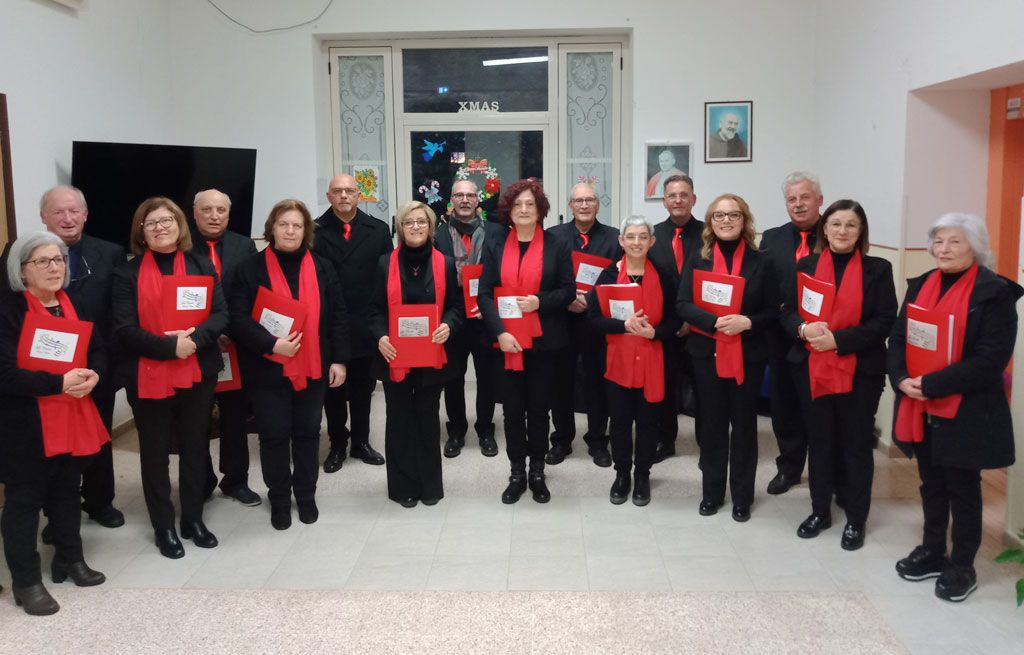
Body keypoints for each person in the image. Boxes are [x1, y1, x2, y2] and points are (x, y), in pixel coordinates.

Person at [888, 213, 1020, 602]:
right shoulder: (921, 285)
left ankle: (962, 564)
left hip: (966, 407)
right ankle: (932, 550)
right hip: (919, 403)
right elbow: (898, 339)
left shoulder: (994, 294)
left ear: (975, 247)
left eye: (954, 242)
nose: (943, 250)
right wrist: (901, 380)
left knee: (962, 487)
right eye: (938, 242)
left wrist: (932, 384)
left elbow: (990, 359)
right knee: (931, 483)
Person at [0, 186, 128, 531]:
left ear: (85, 214)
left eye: (74, 211)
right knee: (44, 458)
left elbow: (117, 313)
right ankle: (52, 517)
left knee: (96, 444)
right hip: (35, 377)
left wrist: (101, 370)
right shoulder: (16, 252)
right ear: (44, 216)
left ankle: (100, 502)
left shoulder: (111, 252)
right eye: (58, 212)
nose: (67, 218)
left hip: (91, 368)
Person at [112, 197, 228, 558]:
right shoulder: (125, 274)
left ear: (180, 226)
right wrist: (168, 347)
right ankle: (163, 525)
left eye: (167, 221)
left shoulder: (200, 264)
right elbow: (123, 329)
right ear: (141, 233)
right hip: (149, 373)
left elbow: (221, 314)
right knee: (155, 452)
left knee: (195, 447)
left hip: (197, 368)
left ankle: (192, 518)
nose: (160, 227)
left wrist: (192, 341)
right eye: (151, 223)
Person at [0, 231, 108, 615]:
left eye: (59, 260)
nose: (54, 267)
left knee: (66, 492)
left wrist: (94, 373)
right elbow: (5, 374)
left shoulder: (71, 303)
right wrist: (58, 382)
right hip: (24, 425)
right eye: (42, 261)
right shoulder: (8, 311)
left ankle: (70, 559)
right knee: (24, 504)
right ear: (22, 270)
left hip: (72, 416)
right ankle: (26, 582)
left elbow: (96, 347)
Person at [780, 200, 896, 550]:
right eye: (835, 224)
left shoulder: (878, 269)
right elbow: (787, 310)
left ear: (861, 232)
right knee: (820, 441)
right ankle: (820, 511)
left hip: (860, 371)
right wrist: (802, 329)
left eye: (850, 225)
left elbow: (884, 321)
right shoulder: (807, 265)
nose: (842, 231)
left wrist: (839, 340)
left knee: (856, 444)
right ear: (824, 229)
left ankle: (856, 520)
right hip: (811, 368)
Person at [229, 200, 349, 529]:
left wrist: (339, 359)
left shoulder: (323, 266)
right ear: (272, 228)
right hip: (267, 368)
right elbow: (237, 318)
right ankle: (280, 498)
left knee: (309, 434)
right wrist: (272, 344)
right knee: (274, 435)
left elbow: (338, 315)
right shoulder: (249, 269)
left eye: (297, 225)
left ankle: (306, 495)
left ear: (306, 230)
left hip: (314, 366)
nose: (290, 231)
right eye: (284, 224)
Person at [677, 194, 777, 522]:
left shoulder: (762, 261)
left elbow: (773, 311)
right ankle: (712, 493)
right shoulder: (698, 258)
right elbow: (683, 304)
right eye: (719, 215)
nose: (726, 221)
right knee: (713, 426)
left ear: (744, 220)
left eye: (733, 215)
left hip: (747, 355)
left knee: (745, 427)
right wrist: (713, 322)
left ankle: (742, 497)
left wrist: (747, 322)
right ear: (710, 222)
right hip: (707, 353)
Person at [477, 179, 575, 504]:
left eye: (530, 204)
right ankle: (517, 471)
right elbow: (485, 293)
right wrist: (501, 333)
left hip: (544, 343)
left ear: (539, 209)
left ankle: (537, 470)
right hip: (505, 344)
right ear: (509, 210)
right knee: (512, 411)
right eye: (518, 204)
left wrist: (540, 302)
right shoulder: (494, 244)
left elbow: (568, 291)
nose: (523, 210)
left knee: (538, 409)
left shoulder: (557, 245)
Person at [368, 201, 463, 507]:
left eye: (422, 222)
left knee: (426, 418)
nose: (416, 227)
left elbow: (456, 307)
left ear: (431, 227)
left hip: (430, 357)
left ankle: (430, 486)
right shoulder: (383, 263)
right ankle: (403, 488)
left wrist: (448, 325)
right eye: (409, 222)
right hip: (393, 355)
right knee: (398, 419)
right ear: (400, 228)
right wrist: (381, 336)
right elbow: (373, 310)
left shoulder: (445, 263)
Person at [588, 216, 679, 505]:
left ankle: (642, 475)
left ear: (652, 242)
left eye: (643, 237)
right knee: (621, 421)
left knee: (648, 421)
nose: (636, 242)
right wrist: (622, 326)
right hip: (618, 361)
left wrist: (655, 332)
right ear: (621, 241)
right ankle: (622, 473)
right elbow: (594, 320)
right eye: (631, 236)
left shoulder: (665, 275)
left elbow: (677, 320)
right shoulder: (608, 276)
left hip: (653, 358)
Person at [314, 173, 391, 472]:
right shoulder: (314, 231)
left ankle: (360, 441)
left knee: (363, 388)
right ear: (329, 196)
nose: (344, 196)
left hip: (365, 322)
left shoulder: (379, 229)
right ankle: (337, 444)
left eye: (350, 191)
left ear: (360, 195)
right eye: (338, 191)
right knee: (333, 388)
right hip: (331, 322)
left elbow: (387, 278)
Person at [191, 189, 260, 507]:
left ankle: (236, 480)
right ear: (194, 214)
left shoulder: (244, 245)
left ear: (229, 214)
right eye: (207, 210)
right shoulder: (181, 246)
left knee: (235, 415)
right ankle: (202, 480)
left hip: (235, 343)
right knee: (198, 416)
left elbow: (250, 292)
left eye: (221, 209)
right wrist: (208, 332)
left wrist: (232, 329)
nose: (214, 215)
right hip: (196, 345)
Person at [546, 183, 621, 467]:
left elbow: (617, 279)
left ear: (598, 205)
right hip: (561, 320)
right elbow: (548, 277)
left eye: (590, 200)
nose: (585, 205)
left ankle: (599, 441)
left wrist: (590, 301)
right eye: (579, 200)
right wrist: (567, 299)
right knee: (560, 383)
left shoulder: (614, 238)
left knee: (597, 383)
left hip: (596, 322)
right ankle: (562, 439)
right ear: (570, 205)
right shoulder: (553, 237)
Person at [760, 172, 824, 495]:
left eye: (805, 197)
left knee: (820, 409)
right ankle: (789, 467)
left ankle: (825, 472)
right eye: (791, 199)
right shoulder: (771, 238)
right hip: (781, 337)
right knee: (784, 407)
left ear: (819, 200)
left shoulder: (836, 232)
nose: (798, 204)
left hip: (823, 340)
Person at [433, 179, 506, 458]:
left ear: (478, 200)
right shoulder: (437, 235)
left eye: (470, 195)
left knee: (487, 377)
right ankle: (456, 430)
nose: (465, 200)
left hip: (485, 315)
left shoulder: (498, 232)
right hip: (451, 317)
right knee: (453, 377)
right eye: (459, 195)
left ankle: (486, 429)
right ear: (451, 200)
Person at [647, 174, 703, 463]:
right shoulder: (652, 237)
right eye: (672, 195)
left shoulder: (710, 235)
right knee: (665, 387)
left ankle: (707, 443)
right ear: (664, 200)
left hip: (702, 327)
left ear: (694, 199)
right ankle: (664, 440)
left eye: (684, 195)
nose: (678, 200)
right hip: (666, 327)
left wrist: (693, 319)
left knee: (704, 388)